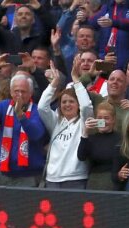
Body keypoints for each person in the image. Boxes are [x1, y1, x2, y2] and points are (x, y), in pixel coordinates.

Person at [0, 73, 47, 187]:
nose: (19, 95)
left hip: (29, 175)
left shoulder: (37, 110)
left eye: (23, 91)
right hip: (5, 174)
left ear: (30, 93)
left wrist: (21, 116)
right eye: (16, 91)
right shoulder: (3, 106)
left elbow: (36, 134)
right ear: (10, 92)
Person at [38, 59, 93, 189]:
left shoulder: (84, 121)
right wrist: (54, 84)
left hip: (76, 178)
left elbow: (86, 106)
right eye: (64, 102)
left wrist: (75, 79)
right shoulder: (55, 121)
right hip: (52, 178)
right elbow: (41, 107)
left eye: (71, 102)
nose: (67, 105)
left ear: (78, 104)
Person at [78, 102, 121, 190]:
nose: (103, 121)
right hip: (94, 181)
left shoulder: (120, 138)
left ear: (113, 120)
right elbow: (81, 156)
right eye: (99, 118)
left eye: (106, 118)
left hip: (113, 181)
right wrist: (85, 132)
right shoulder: (91, 138)